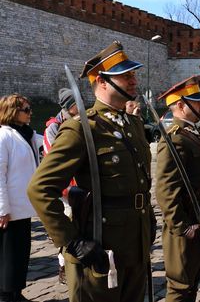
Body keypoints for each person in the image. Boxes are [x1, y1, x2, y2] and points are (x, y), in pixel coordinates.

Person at [28, 41, 155, 302]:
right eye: (126, 75)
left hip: (136, 243)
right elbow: (39, 189)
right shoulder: (82, 129)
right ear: (102, 81)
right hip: (101, 245)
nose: (134, 81)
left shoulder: (132, 124)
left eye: (133, 74)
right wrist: (72, 242)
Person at [155, 77, 200, 302]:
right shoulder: (175, 139)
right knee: (181, 288)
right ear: (181, 105)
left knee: (195, 282)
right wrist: (183, 228)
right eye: (196, 102)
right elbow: (166, 190)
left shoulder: (192, 134)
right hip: (188, 228)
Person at [0, 94, 39, 302]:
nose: (30, 113)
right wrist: (2, 208)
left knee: (21, 252)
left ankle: (16, 291)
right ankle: (6, 294)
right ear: (13, 111)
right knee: (8, 254)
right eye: (26, 110)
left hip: (23, 205)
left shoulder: (27, 133)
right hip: (9, 207)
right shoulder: (3, 136)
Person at [42, 87, 81, 285]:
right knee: (66, 226)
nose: (79, 104)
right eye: (75, 102)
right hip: (66, 187)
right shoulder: (53, 127)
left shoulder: (82, 121)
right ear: (68, 106)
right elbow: (53, 156)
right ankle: (63, 266)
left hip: (82, 185)